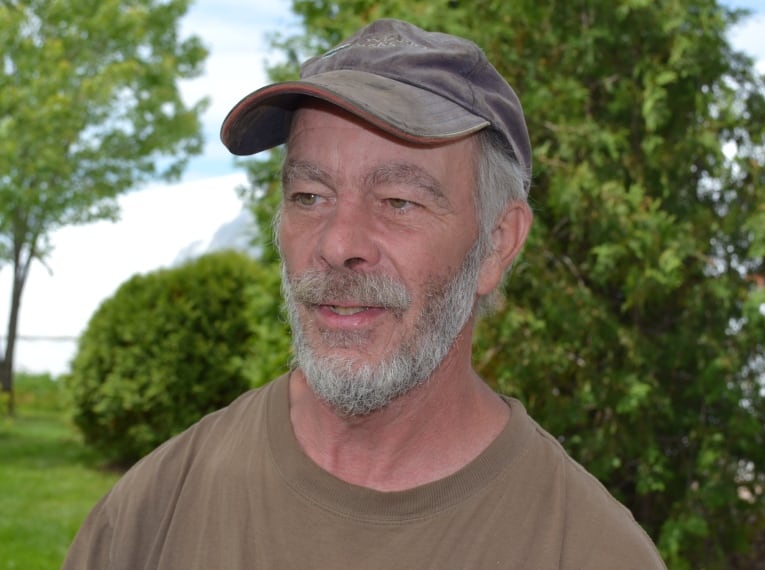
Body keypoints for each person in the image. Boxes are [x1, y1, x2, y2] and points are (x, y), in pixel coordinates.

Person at [63, 18, 666, 569]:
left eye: (399, 200)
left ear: (496, 244)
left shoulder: (589, 550)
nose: (338, 242)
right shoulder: (150, 515)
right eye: (309, 196)